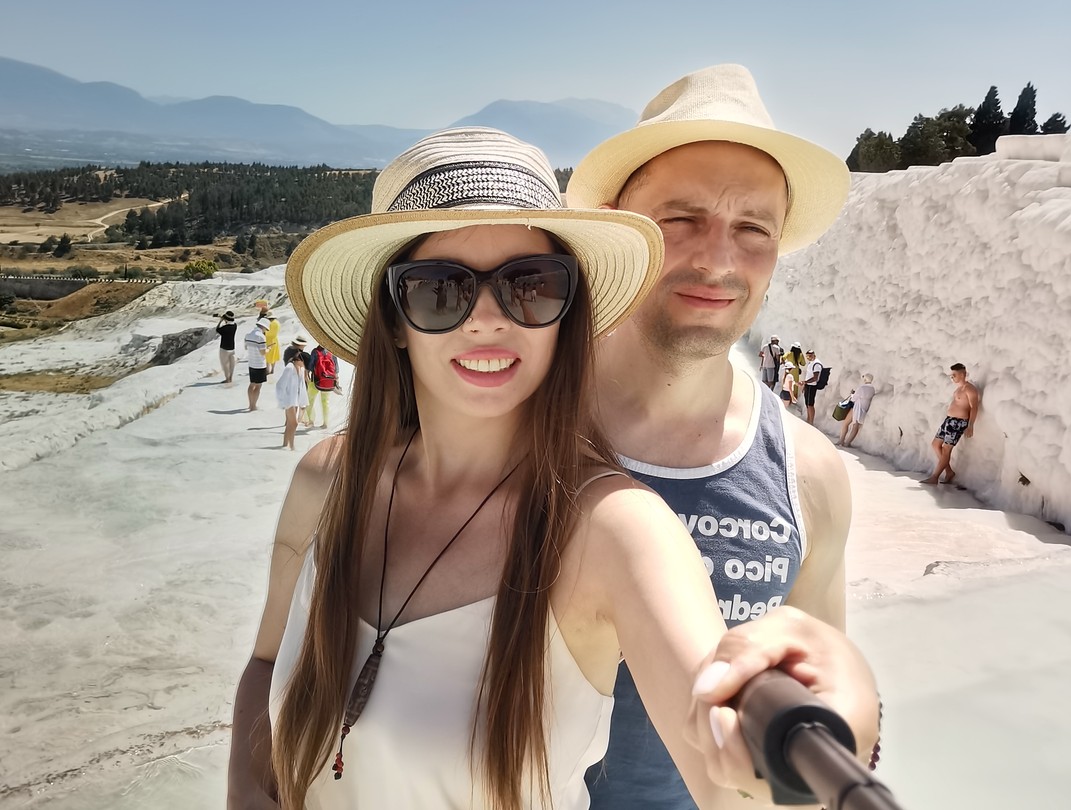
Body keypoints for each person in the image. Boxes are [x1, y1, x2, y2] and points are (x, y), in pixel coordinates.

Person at [227, 127, 879, 810]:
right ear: (393, 317)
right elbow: (267, 663)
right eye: (439, 289)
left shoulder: (617, 528)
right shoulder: (327, 483)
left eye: (530, 286)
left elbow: (726, 770)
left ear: (567, 314)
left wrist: (829, 723)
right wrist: (246, 789)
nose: (486, 320)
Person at [566, 64, 856, 809]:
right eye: (681, 219)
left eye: (753, 229)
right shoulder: (520, 426)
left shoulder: (807, 476)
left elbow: (813, 701)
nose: (718, 260)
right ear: (616, 228)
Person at [921, 362, 980, 485]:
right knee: (935, 444)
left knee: (946, 449)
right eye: (951, 375)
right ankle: (949, 472)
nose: (952, 377)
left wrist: (970, 425)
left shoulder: (970, 389)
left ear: (962, 374)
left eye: (954, 375)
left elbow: (974, 407)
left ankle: (935, 477)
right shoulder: (959, 389)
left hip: (958, 422)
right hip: (949, 421)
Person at [275, 352, 309, 450]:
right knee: (294, 423)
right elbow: (279, 385)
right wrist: (282, 401)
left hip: (296, 399)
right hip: (288, 400)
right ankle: (292, 446)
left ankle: (285, 444)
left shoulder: (301, 369)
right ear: (300, 360)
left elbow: (302, 386)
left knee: (290, 423)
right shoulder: (290, 368)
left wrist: (303, 402)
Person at [306, 343, 339, 430]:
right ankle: (325, 423)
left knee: (310, 401)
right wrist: (336, 380)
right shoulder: (332, 352)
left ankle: (311, 421)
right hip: (328, 381)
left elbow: (310, 367)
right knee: (325, 402)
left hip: (315, 380)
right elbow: (336, 368)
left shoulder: (315, 351)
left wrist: (307, 375)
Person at [839, 373, 876, 447]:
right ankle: (847, 443)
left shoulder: (861, 388)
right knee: (856, 426)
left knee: (846, 423)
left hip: (856, 407)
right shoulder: (872, 389)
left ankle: (841, 441)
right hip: (864, 408)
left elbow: (853, 399)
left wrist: (852, 394)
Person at [245, 318, 270, 411]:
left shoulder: (248, 335)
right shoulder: (261, 337)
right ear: (264, 327)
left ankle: (250, 404)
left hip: (251, 363)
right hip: (259, 364)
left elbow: (246, 347)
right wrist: (268, 349)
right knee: (258, 386)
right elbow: (263, 352)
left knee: (251, 384)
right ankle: (253, 406)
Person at [216, 310, 239, 383]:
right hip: (232, 348)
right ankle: (231, 378)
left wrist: (220, 321)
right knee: (232, 364)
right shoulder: (235, 326)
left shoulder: (225, 328)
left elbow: (217, 329)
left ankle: (227, 379)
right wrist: (225, 319)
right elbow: (230, 323)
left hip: (224, 348)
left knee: (225, 364)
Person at [802, 348, 823, 424]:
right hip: (808, 385)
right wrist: (805, 384)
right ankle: (808, 419)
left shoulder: (816, 364)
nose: (808, 357)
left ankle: (811, 422)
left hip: (812, 386)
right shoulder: (811, 363)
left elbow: (815, 378)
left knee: (810, 404)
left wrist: (805, 382)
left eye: (810, 356)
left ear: (814, 355)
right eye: (807, 356)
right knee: (807, 404)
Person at [263, 310, 282, 376]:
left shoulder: (268, 324)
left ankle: (267, 370)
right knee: (274, 355)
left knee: (267, 356)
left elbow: (266, 332)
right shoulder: (277, 323)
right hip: (275, 340)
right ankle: (272, 369)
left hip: (268, 340)